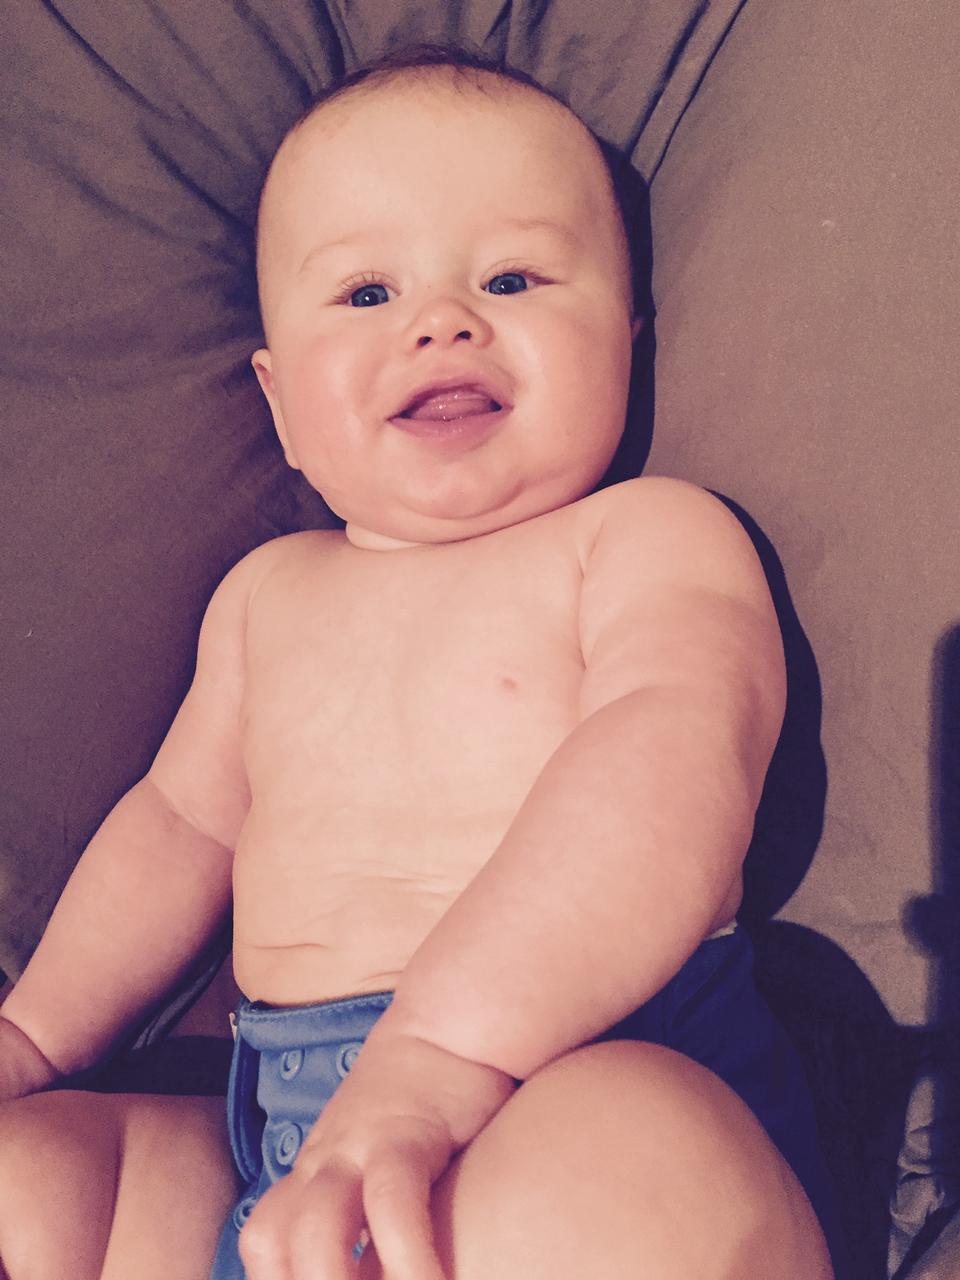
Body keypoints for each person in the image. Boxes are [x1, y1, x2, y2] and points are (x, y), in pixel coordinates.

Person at [0, 45, 837, 1280]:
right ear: (281, 407)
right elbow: (178, 824)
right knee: (28, 1182)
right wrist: (31, 1036)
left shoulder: (647, 538)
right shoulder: (265, 598)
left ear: (627, 341)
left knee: (625, 1157)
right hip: (288, 1159)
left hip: (584, 1063)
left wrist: (439, 1054)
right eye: (365, 293)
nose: (442, 318)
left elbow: (676, 752)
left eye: (511, 277)